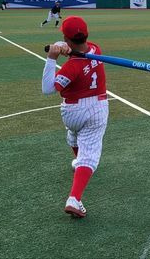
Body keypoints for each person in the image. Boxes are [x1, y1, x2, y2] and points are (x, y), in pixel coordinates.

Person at [42, 16, 109, 218]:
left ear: (65, 36)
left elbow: (48, 89)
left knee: (74, 136)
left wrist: (52, 58)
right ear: (86, 35)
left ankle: (77, 177)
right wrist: (63, 49)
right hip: (96, 108)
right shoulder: (96, 49)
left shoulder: (71, 67)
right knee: (90, 152)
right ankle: (74, 198)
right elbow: (76, 49)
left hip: (71, 112)